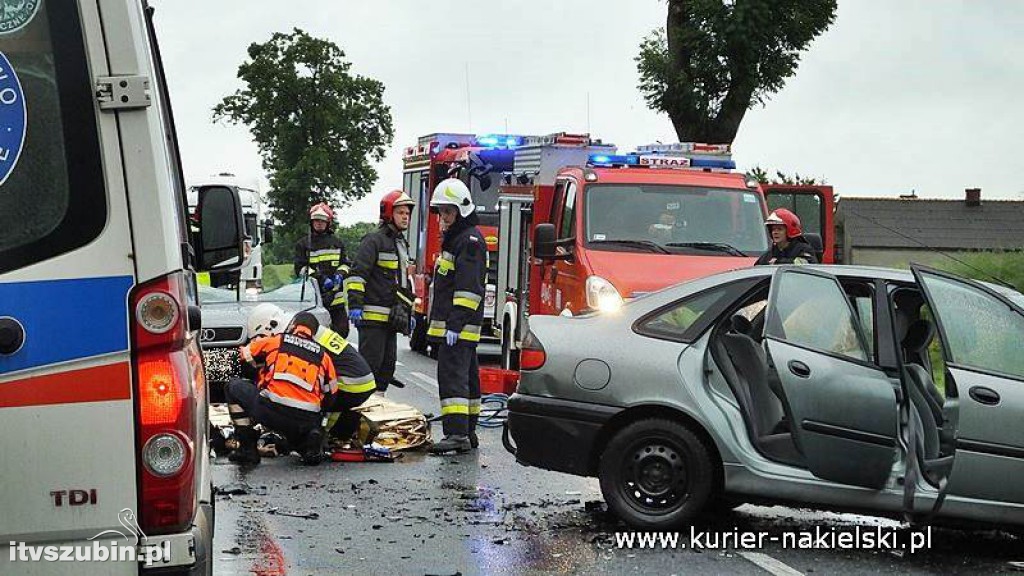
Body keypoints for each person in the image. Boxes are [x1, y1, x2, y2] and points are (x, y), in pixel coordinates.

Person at [224, 306, 337, 466]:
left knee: (233, 387)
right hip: (306, 419)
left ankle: (247, 449)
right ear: (314, 333)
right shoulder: (324, 357)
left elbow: (243, 354)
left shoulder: (277, 340)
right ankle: (309, 442)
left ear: (292, 326)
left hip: (272, 410)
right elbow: (332, 396)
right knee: (298, 433)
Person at [426, 178, 487, 454]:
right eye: (441, 212)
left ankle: (456, 434)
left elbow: (468, 289)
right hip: (460, 326)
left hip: (458, 326)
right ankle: (469, 431)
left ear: (461, 209)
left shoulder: (468, 241)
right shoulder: (460, 239)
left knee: (452, 378)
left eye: (448, 212)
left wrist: (455, 323)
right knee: (468, 377)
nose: (443, 218)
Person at [345, 190, 416, 392]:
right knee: (370, 369)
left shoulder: (401, 244)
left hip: (391, 320)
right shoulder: (373, 241)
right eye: (401, 212)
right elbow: (357, 275)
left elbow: (401, 283)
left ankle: (379, 411)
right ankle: (363, 413)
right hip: (372, 318)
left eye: (407, 213)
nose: (405, 217)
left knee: (386, 368)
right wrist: (356, 305)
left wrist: (407, 310)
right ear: (388, 214)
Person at [313, 323, 378, 445]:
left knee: (311, 395)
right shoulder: (322, 333)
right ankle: (337, 434)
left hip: (350, 385)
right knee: (336, 404)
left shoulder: (306, 340)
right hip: (365, 383)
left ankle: (322, 434)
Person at [294, 202, 351, 336]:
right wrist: (320, 278)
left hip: (336, 298)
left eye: (322, 220)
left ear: (328, 222)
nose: (319, 223)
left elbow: (346, 264)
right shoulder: (303, 244)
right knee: (316, 334)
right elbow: (300, 268)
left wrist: (340, 274)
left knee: (341, 332)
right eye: (316, 220)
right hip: (314, 298)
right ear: (311, 222)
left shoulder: (337, 243)